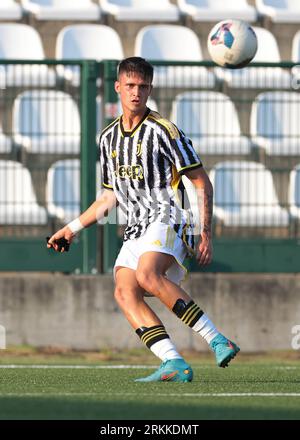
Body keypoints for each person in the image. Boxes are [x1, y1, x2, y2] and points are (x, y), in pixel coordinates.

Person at [47, 57, 239, 382]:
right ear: (118, 87)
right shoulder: (107, 139)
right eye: (131, 86)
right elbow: (109, 197)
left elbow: (200, 181)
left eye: (143, 86)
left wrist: (205, 233)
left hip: (168, 216)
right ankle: (173, 362)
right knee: (124, 290)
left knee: (147, 275)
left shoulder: (163, 131)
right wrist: (71, 229)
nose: (136, 93)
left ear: (150, 89)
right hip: (136, 227)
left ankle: (217, 339)